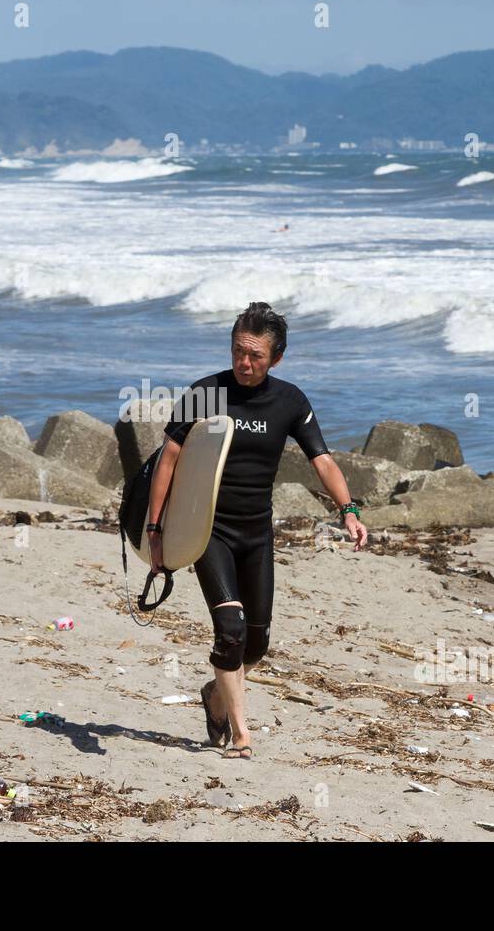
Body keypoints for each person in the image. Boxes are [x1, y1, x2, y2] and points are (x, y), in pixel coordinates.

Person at [146, 302, 369, 758]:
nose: (244, 364)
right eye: (238, 352)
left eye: (256, 357)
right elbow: (169, 456)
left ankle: (215, 694)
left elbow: (321, 459)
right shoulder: (206, 392)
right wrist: (155, 527)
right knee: (230, 629)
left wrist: (348, 509)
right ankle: (242, 734)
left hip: (257, 534)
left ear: (277, 358)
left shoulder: (290, 401)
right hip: (208, 529)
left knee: (256, 642)